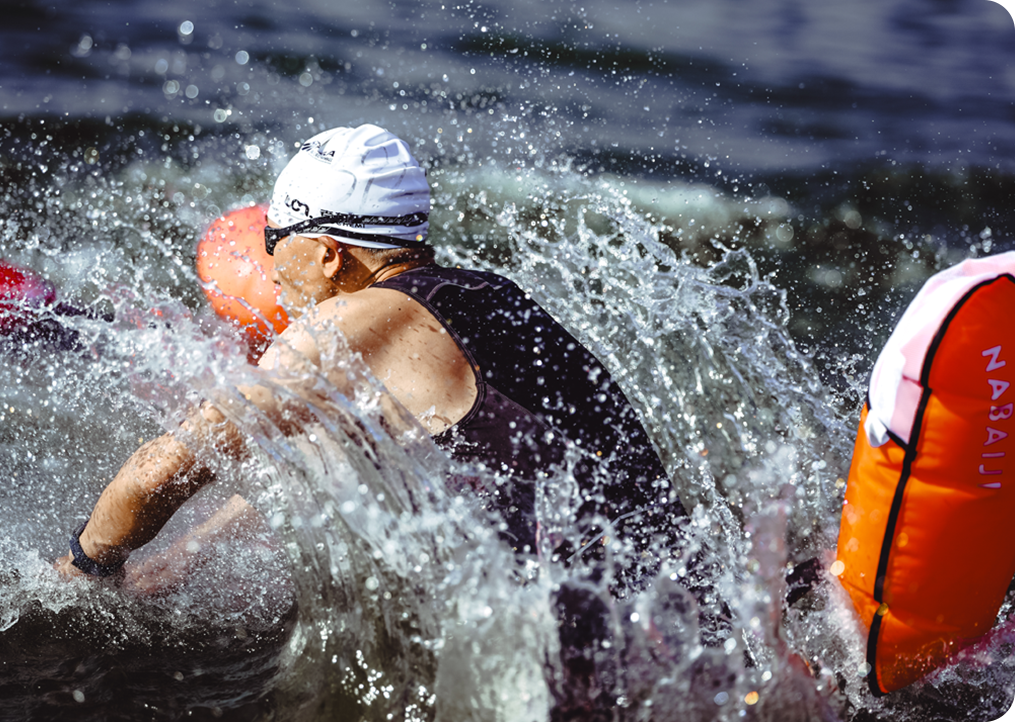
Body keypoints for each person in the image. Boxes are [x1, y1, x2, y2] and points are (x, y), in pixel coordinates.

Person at [54, 124, 690, 713]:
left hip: (587, 661)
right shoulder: (486, 297)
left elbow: (159, 470)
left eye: (276, 239)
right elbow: (333, 465)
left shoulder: (347, 327)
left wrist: (85, 569)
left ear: (329, 254)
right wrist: (186, 553)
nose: (272, 268)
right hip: (682, 618)